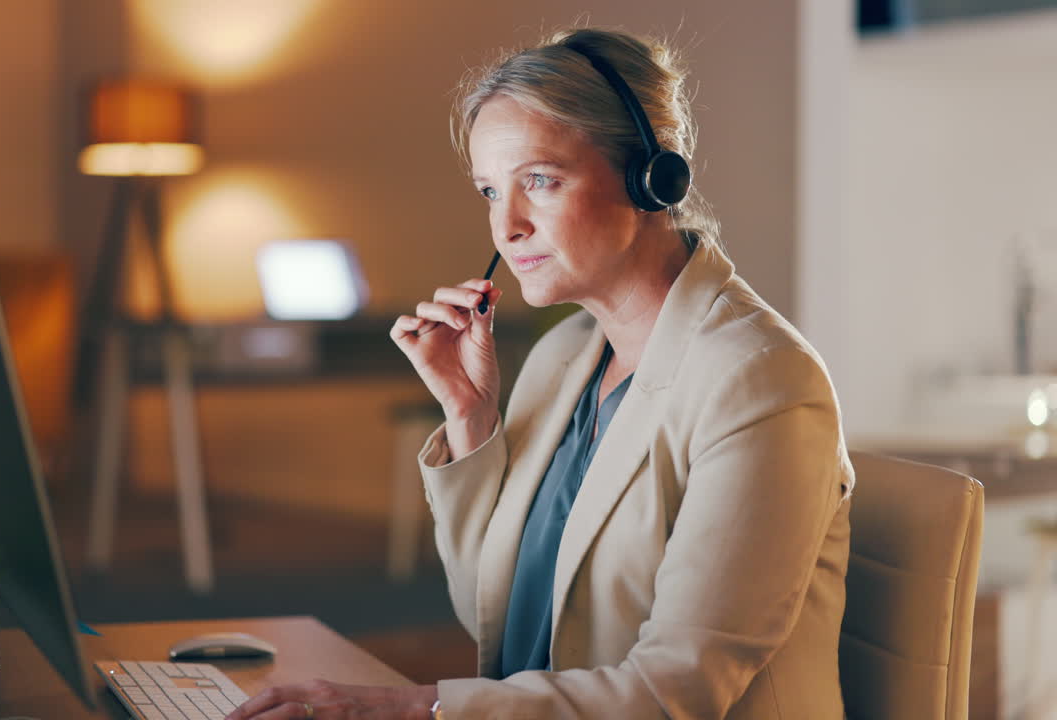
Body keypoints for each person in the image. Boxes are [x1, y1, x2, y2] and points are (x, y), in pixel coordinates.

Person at [228, 26, 854, 720]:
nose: (508, 226)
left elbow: (673, 690)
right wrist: (471, 418)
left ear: (652, 176)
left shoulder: (759, 380)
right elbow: (495, 625)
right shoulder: (564, 360)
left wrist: (404, 709)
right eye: (492, 191)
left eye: (541, 182)